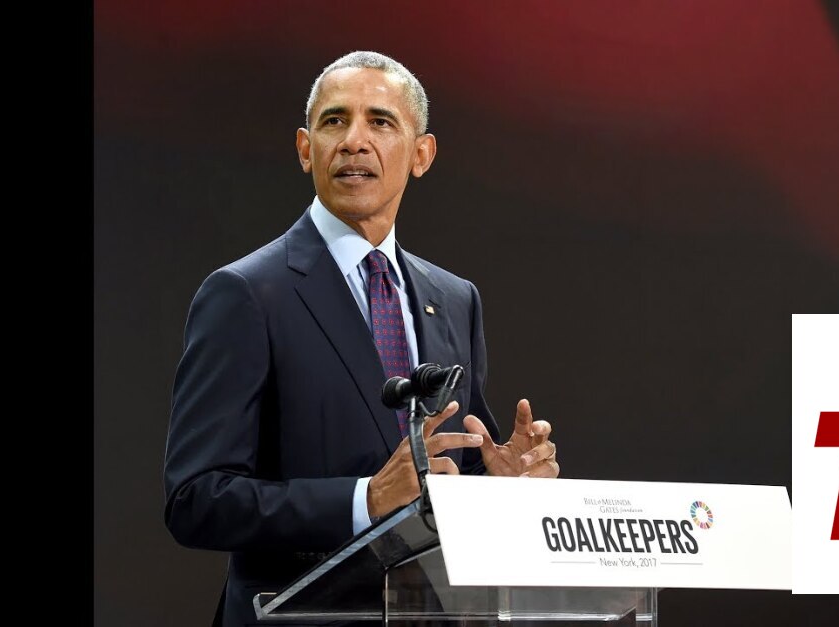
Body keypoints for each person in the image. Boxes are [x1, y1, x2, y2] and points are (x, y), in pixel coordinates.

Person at [163, 51, 560, 626]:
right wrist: (364, 500)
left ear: (421, 155)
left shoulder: (455, 299)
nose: (354, 141)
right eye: (334, 121)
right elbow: (196, 500)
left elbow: (442, 475)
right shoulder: (246, 294)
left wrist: (498, 487)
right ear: (306, 149)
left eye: (380, 121)